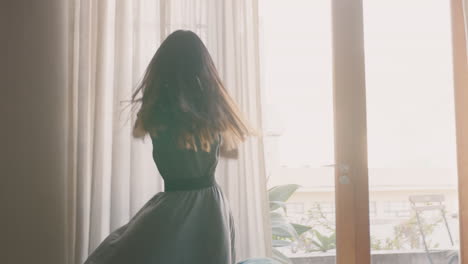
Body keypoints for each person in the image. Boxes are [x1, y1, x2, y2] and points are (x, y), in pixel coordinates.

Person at [83, 30, 257, 264]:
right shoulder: (209, 109)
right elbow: (230, 151)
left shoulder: (159, 111)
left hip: (181, 205)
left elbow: (142, 132)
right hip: (211, 206)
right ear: (202, 66)